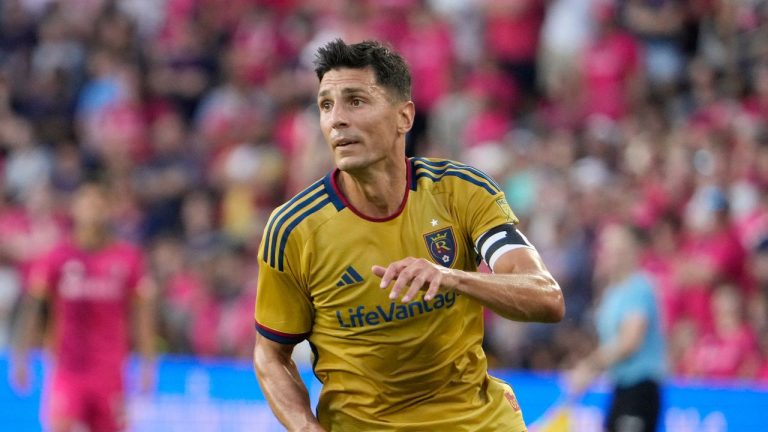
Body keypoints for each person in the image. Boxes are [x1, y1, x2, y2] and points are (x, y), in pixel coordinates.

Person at [253, 39, 564, 432]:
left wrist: (453, 278)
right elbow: (270, 354)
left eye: (356, 101)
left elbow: (546, 297)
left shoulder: (460, 191)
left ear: (404, 117)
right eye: (326, 105)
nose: (336, 120)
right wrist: (304, 427)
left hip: (478, 422)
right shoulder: (293, 229)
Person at [11, 179, 156, 432]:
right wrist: (20, 357)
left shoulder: (128, 259)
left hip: (110, 373)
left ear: (109, 209)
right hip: (67, 370)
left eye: (99, 203)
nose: (93, 209)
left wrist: (147, 363)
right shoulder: (57, 257)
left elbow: (142, 314)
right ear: (75, 209)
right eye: (87, 202)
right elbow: (33, 306)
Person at [568, 223, 666, 432]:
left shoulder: (639, 288)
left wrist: (590, 366)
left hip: (640, 388)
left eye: (613, 251)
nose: (606, 256)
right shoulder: (612, 292)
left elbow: (629, 342)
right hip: (621, 387)